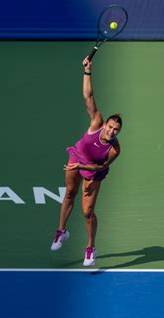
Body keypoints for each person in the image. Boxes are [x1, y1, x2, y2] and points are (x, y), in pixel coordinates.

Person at [50, 57, 122, 267]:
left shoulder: (115, 149)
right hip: (77, 157)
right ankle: (61, 232)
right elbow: (88, 96)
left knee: (87, 211)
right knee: (69, 194)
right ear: (105, 124)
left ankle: (90, 247)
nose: (111, 130)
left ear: (119, 132)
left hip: (92, 170)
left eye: (116, 130)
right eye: (110, 127)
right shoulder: (97, 121)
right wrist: (87, 71)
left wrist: (81, 167)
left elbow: (100, 167)